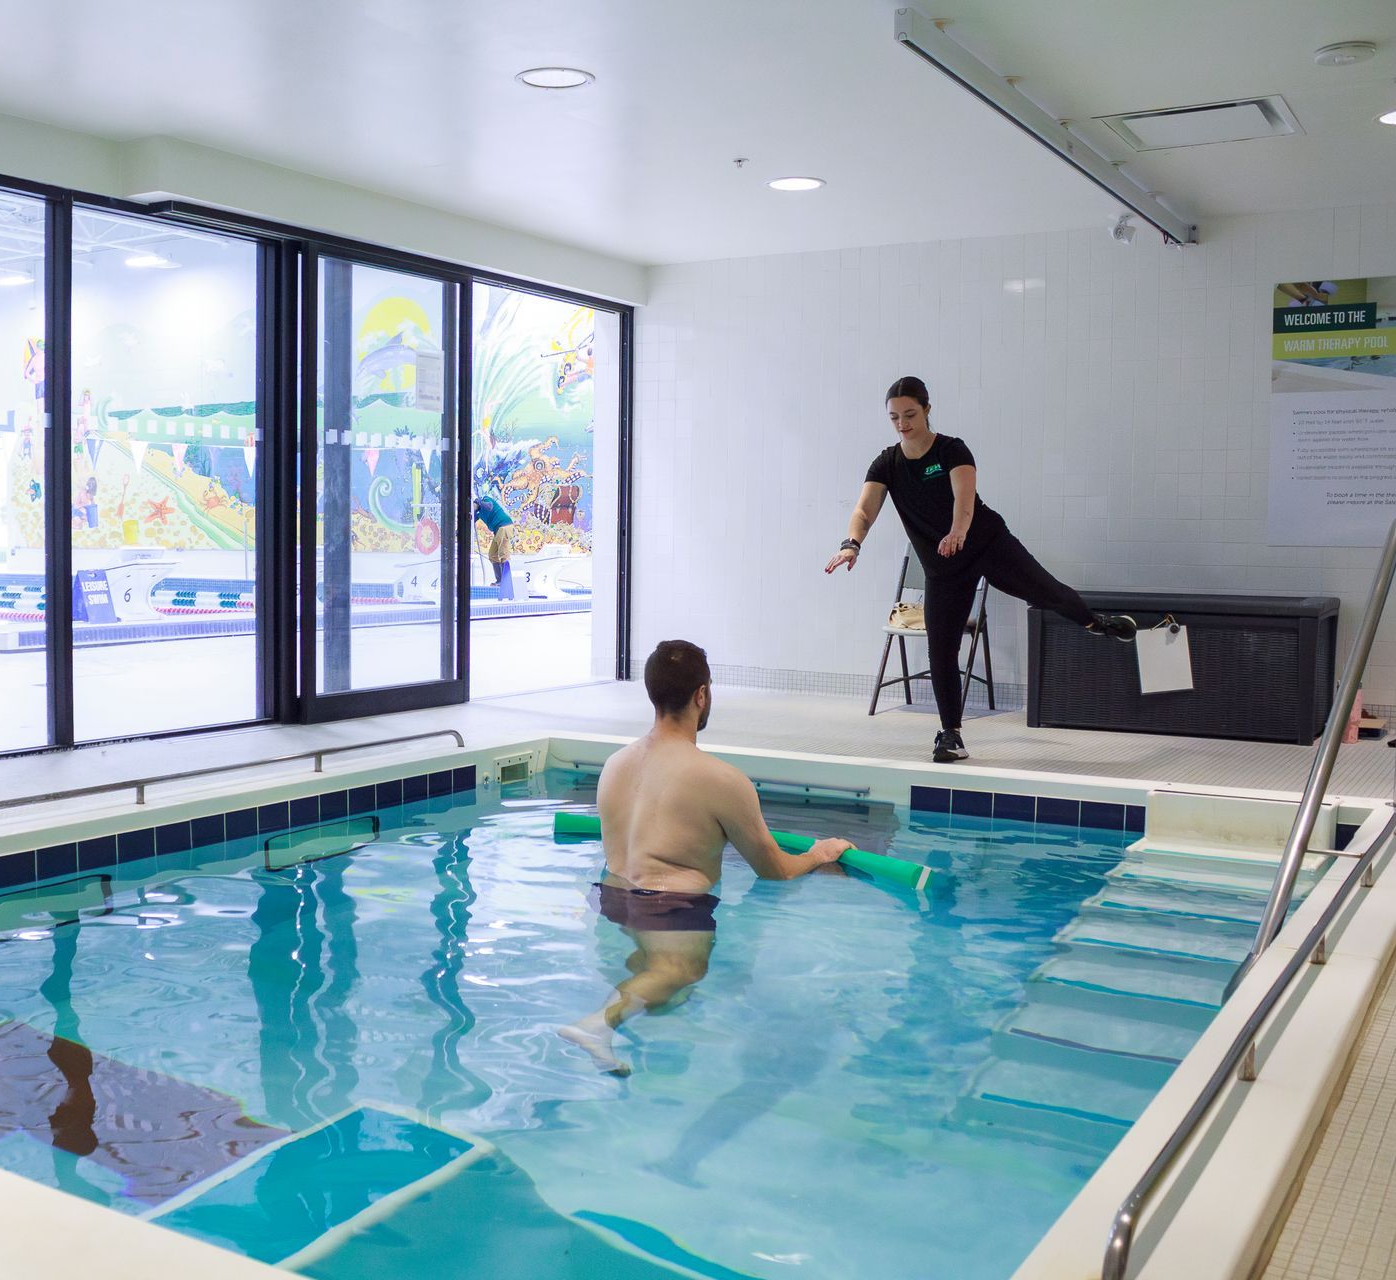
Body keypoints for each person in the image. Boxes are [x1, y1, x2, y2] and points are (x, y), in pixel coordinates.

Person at [558, 640, 854, 1075]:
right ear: (702, 695)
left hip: (611, 897)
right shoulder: (722, 780)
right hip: (671, 904)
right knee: (681, 971)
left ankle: (631, 1037)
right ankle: (596, 1026)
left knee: (663, 992)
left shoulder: (615, 764)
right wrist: (817, 853)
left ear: (652, 693)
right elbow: (774, 871)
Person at [825, 376, 1136, 764]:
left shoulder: (952, 450)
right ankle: (950, 735)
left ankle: (1095, 623)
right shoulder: (887, 463)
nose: (902, 424)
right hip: (944, 568)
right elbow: (864, 510)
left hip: (987, 544)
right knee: (942, 651)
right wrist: (851, 543)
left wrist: (958, 530)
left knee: (1046, 591)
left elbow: (964, 498)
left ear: (926, 410)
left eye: (909, 414)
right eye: (894, 418)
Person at [473, 490, 517, 599]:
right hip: (498, 530)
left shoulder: (486, 500)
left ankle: (506, 582)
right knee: (492, 554)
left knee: (503, 554)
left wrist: (478, 502)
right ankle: (499, 581)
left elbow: (489, 507)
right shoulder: (478, 513)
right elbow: (470, 520)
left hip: (504, 526)